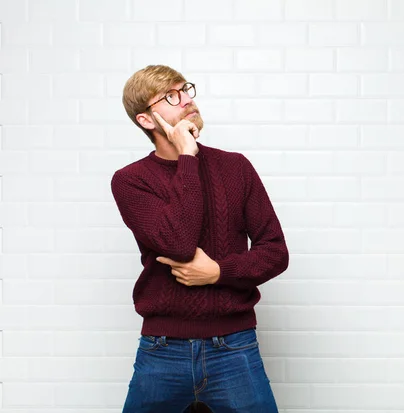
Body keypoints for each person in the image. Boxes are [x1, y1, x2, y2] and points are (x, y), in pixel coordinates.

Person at [111, 65, 289, 413]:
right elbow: (178, 242)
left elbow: (276, 252)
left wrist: (218, 271)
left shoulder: (235, 167)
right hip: (162, 350)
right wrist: (187, 157)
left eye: (187, 90)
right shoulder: (130, 181)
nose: (188, 100)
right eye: (172, 96)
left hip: (235, 347)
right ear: (147, 120)